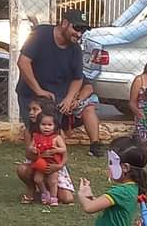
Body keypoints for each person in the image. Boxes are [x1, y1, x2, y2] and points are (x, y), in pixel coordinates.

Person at [17, 9, 104, 157]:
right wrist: (38, 91)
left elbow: (78, 78)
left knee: (55, 135)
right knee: (35, 127)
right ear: (64, 23)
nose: (79, 34)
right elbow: (23, 62)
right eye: (76, 28)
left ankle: (56, 164)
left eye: (83, 30)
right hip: (32, 94)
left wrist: (69, 98)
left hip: (57, 97)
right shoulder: (41, 34)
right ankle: (32, 161)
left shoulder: (75, 49)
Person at [16, 98, 76, 205]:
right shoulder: (30, 131)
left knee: (67, 199)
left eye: (35, 109)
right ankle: (32, 189)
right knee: (22, 169)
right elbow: (28, 154)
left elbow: (64, 154)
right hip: (38, 164)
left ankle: (49, 192)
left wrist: (59, 166)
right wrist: (39, 154)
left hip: (55, 165)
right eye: (30, 109)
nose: (31, 113)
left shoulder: (57, 133)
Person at [30, 107, 67, 206]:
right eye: (43, 125)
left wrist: (56, 150)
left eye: (50, 125)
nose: (46, 127)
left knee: (53, 181)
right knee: (37, 179)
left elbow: (64, 149)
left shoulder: (57, 138)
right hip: (41, 162)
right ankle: (44, 192)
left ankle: (53, 198)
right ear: (38, 125)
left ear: (55, 126)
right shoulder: (36, 137)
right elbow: (30, 147)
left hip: (53, 163)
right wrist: (33, 149)